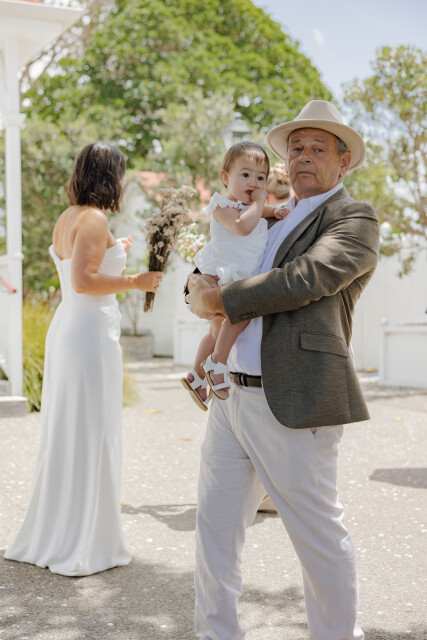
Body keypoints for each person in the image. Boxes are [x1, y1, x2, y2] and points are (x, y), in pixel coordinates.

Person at [185, 100, 379, 639]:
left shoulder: (353, 219)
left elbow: (304, 279)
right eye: (296, 148)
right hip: (230, 399)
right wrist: (195, 287)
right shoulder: (263, 211)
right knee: (215, 530)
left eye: (318, 148)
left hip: (293, 399)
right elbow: (217, 263)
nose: (304, 157)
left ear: (343, 162)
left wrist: (219, 299)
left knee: (317, 537)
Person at [4, 142, 163, 576]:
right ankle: (85, 542)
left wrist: (116, 247)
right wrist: (136, 280)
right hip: (89, 333)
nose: (124, 182)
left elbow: (82, 264)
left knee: (72, 430)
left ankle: (60, 531)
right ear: (109, 176)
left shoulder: (69, 216)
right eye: (121, 173)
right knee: (92, 431)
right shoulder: (94, 218)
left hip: (70, 328)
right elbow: (85, 280)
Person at [181, 142, 288, 410]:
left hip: (238, 273)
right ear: (226, 177)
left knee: (216, 329)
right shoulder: (222, 206)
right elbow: (242, 227)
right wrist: (262, 202)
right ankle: (217, 364)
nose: (254, 182)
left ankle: (196, 376)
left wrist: (274, 211)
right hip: (225, 273)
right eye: (245, 175)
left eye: (260, 178)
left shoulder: (250, 207)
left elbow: (259, 214)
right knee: (238, 316)